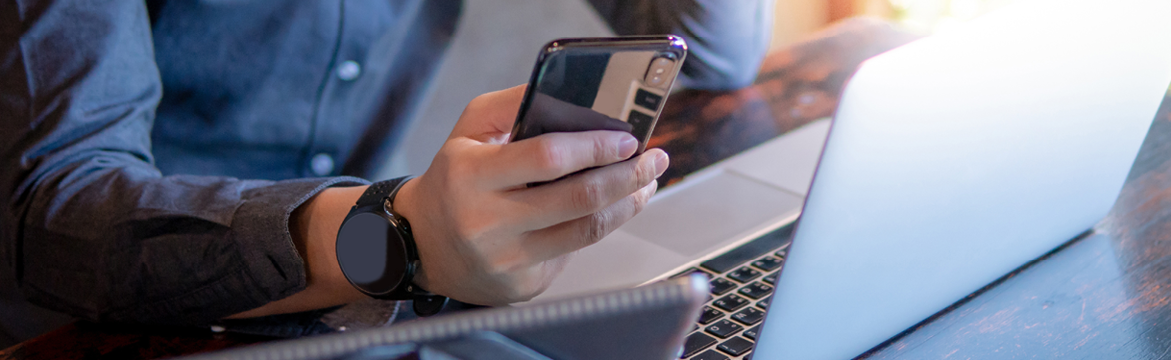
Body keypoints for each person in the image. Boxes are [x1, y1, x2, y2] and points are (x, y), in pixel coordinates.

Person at [0, 0, 772, 347]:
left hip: (360, 309)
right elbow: (56, 213)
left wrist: (412, 244)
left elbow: (712, 47)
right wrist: (398, 236)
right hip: (95, 325)